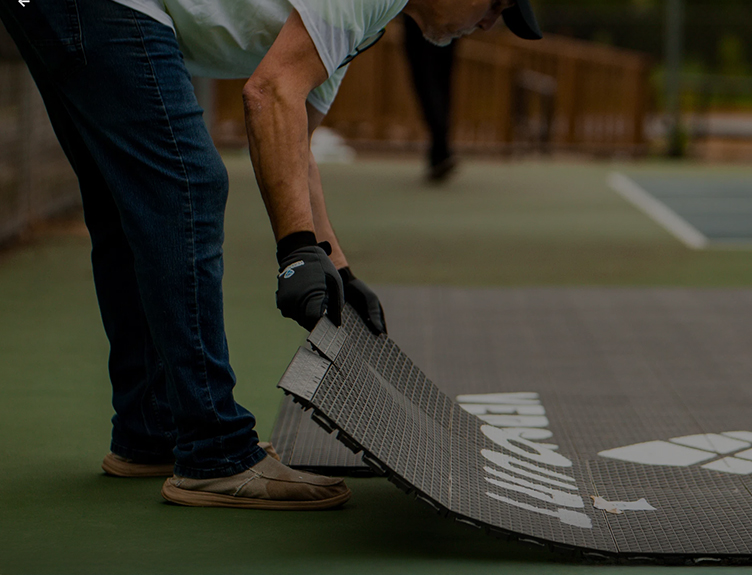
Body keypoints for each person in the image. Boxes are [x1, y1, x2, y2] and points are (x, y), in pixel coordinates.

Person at [0, 0, 540, 510]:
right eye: (496, 4)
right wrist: (296, 251)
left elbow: (294, 133)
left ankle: (151, 430)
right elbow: (268, 91)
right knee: (186, 186)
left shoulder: (367, 21)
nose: (491, 22)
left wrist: (335, 263)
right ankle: (216, 452)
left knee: (131, 206)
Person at [403, 13, 458, 182]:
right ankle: (440, 146)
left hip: (423, 16)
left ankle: (440, 145)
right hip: (441, 16)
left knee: (426, 81)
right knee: (439, 81)